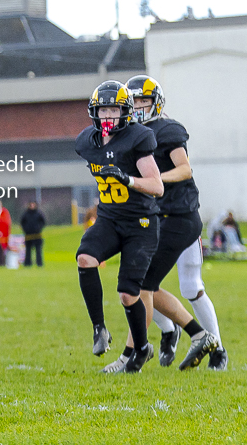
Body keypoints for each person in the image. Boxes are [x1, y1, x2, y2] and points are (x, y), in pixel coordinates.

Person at [119, 75, 225, 371]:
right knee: (140, 283)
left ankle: (215, 348)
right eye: (135, 100)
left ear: (156, 103)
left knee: (183, 286)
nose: (139, 106)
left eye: (144, 100)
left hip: (179, 217)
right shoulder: (128, 134)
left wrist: (153, 180)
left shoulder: (167, 130)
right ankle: (172, 331)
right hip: (154, 219)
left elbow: (184, 169)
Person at [75, 80, 164, 373]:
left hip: (140, 223)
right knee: (85, 257)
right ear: (94, 113)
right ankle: (99, 329)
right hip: (110, 219)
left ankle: (141, 349)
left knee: (128, 293)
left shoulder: (138, 138)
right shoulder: (87, 141)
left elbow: (157, 186)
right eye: (103, 110)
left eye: (114, 109)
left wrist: (128, 179)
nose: (108, 116)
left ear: (125, 112)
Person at [20, 201, 46, 267]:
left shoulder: (38, 213)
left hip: (37, 235)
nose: (32, 206)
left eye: (33, 205)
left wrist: (38, 228)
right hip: (28, 235)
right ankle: (27, 264)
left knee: (38, 250)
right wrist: (26, 229)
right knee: (28, 251)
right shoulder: (26, 214)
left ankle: (39, 263)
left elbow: (43, 222)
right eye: (31, 205)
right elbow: (22, 223)